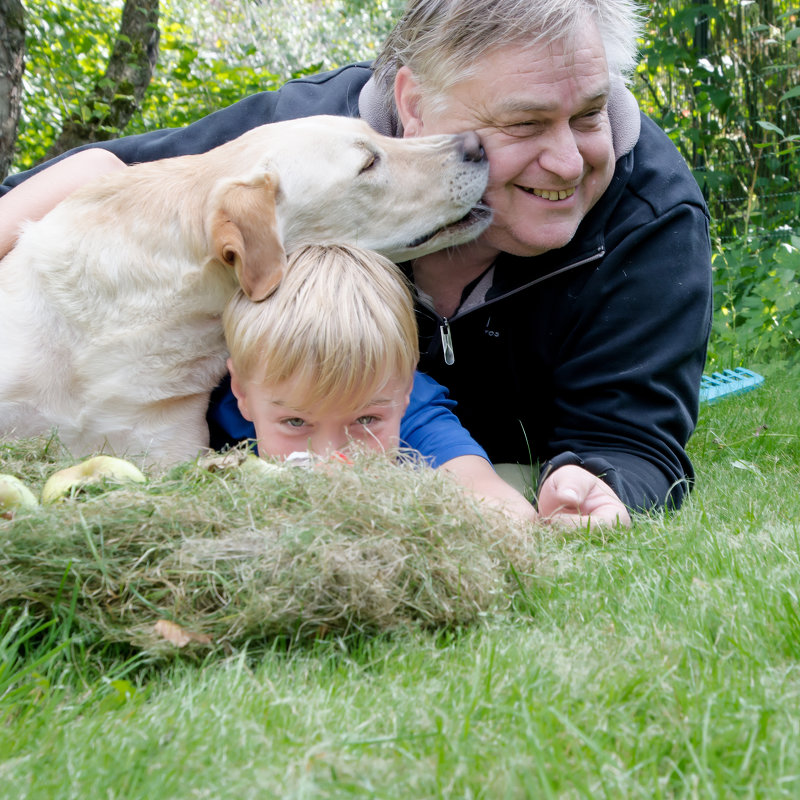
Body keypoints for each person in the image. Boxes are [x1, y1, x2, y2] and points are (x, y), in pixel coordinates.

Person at [0, 0, 713, 527]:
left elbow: (633, 439)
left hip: (442, 443)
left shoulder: (652, 221)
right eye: (522, 124)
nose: (566, 160)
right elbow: (127, 173)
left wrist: (601, 484)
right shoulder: (316, 143)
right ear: (413, 102)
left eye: (589, 113)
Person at [220, 242, 536, 521]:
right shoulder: (210, 409)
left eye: (365, 420)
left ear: (407, 387)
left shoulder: (408, 408)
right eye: (295, 421)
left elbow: (506, 512)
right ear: (241, 393)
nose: (332, 459)